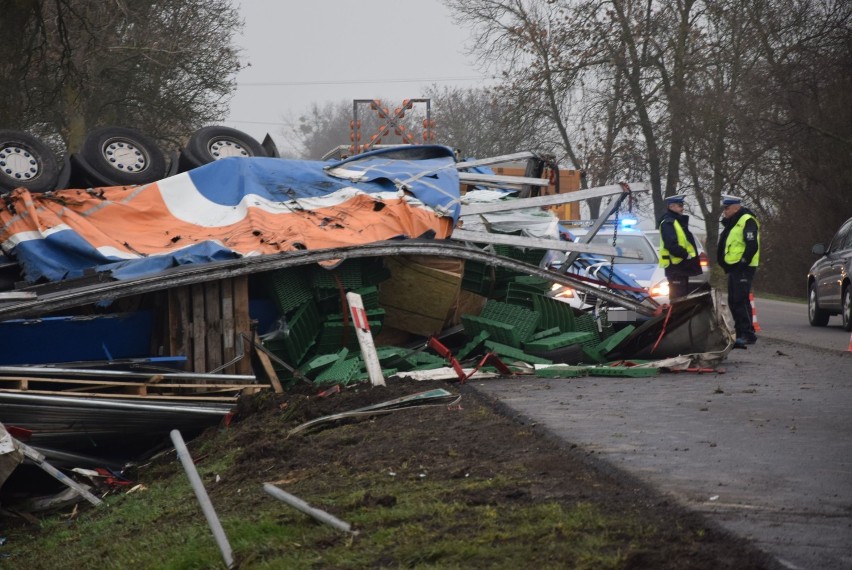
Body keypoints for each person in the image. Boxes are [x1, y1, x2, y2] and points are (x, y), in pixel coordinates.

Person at [716, 194, 760, 347]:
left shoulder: (747, 220)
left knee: (740, 300)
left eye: (727, 208)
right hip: (734, 267)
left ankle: (748, 334)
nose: (725, 211)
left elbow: (752, 245)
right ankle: (740, 331)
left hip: (743, 267)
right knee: (733, 300)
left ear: (736, 207)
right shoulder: (734, 223)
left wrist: (743, 262)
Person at [657, 194, 702, 300]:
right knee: (678, 300)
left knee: (682, 299)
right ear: (671, 206)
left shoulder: (676, 222)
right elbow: (671, 245)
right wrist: (685, 254)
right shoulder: (668, 223)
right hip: (675, 267)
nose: (683, 208)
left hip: (681, 267)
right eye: (680, 205)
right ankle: (674, 317)